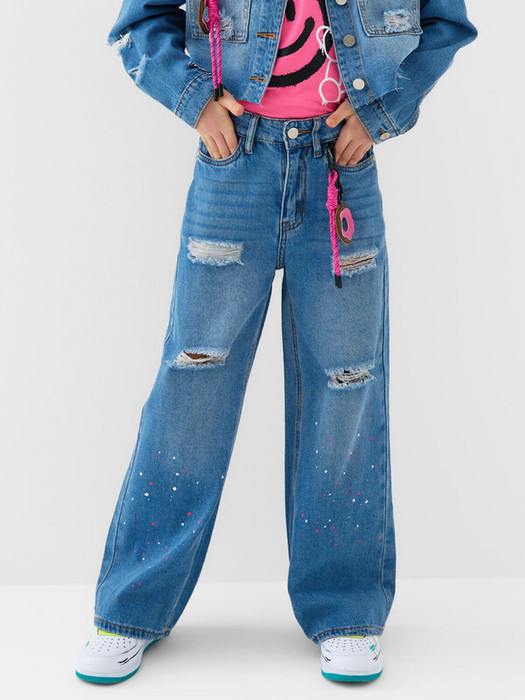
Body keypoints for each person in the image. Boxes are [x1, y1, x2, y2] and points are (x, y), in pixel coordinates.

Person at [75, 0, 477, 684]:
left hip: (341, 168)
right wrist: (194, 103)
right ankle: (130, 609)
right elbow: (139, 22)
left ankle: (346, 611)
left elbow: (447, 22)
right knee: (192, 381)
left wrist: (380, 113)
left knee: (346, 384)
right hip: (234, 165)